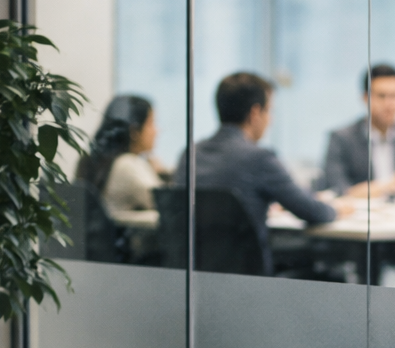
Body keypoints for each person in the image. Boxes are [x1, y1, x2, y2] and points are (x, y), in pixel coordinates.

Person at [173, 73, 341, 266]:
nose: (270, 120)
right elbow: (313, 212)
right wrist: (336, 209)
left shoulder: (189, 155)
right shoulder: (259, 158)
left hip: (194, 277)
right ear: (255, 113)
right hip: (248, 280)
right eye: (269, 111)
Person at [322, 64, 395, 197]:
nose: (390, 104)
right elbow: (338, 190)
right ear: (365, 98)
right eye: (382, 96)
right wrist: (389, 185)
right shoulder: (341, 139)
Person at [77, 95, 169, 223]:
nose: (157, 131)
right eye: (151, 123)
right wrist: (163, 174)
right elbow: (169, 205)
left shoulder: (90, 159)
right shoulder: (128, 165)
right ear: (134, 132)